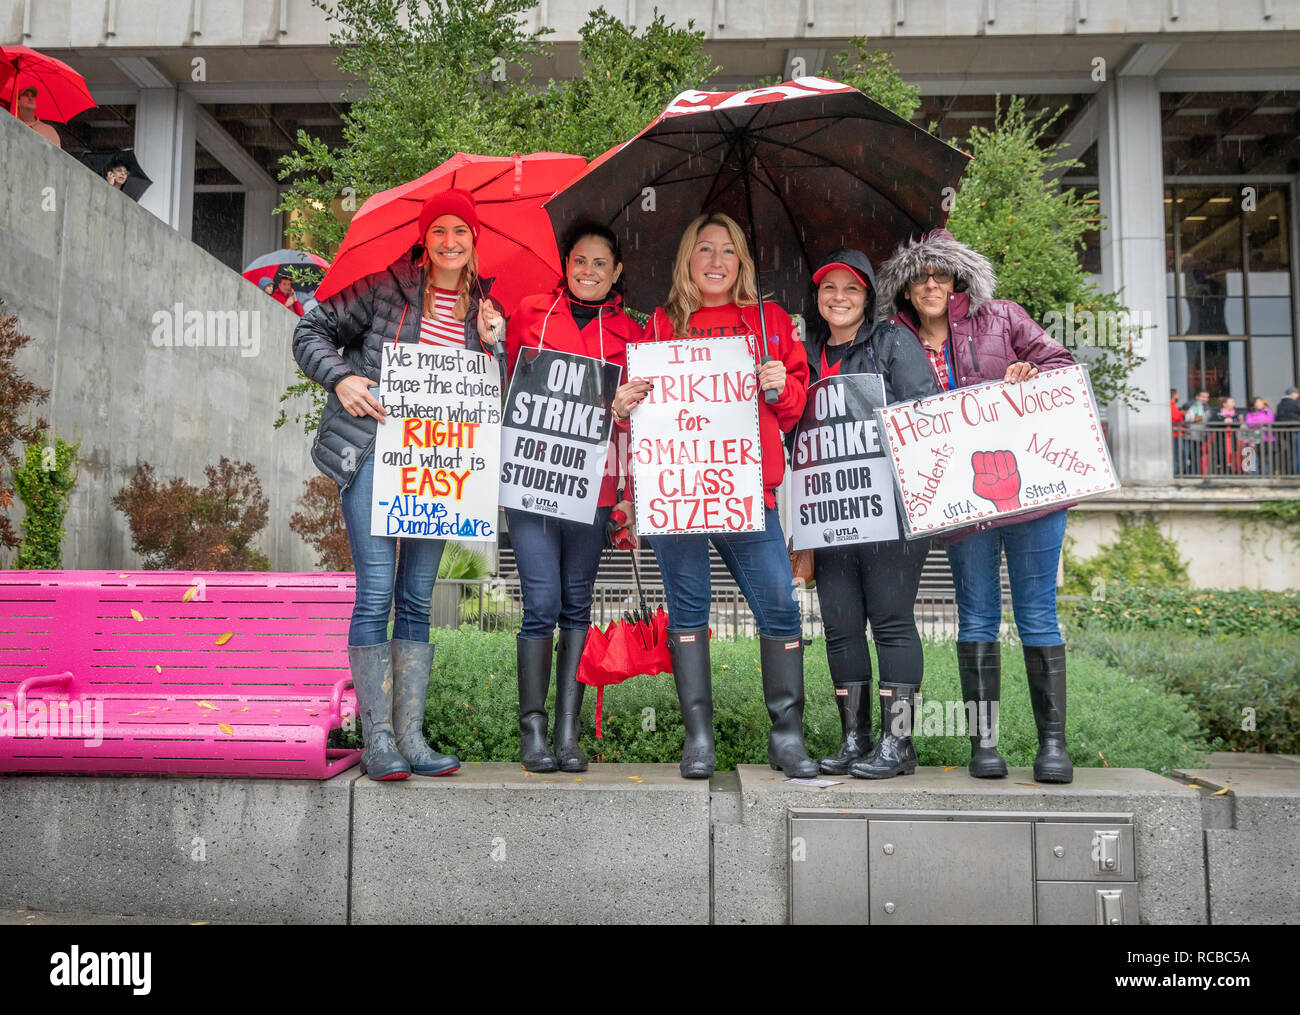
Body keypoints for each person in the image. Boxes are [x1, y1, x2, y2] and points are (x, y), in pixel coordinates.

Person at [291, 188, 502, 781]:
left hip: (439, 471)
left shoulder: (484, 310)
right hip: (374, 459)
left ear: (475, 241)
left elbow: (493, 402)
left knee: (416, 600)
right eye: (440, 230)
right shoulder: (385, 287)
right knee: (376, 594)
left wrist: (497, 344)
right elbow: (310, 332)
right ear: (425, 238)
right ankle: (377, 738)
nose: (451, 242)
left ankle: (411, 737)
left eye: (462, 231)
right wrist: (342, 381)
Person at [877, 228, 1077, 784]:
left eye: (940, 273)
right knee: (978, 615)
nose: (931, 284)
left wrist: (1031, 373)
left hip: (1032, 495)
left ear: (958, 278)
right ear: (907, 287)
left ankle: (1052, 747)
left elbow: (1063, 365)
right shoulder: (894, 338)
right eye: (919, 276)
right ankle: (984, 746)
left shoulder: (1004, 318)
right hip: (961, 502)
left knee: (1038, 612)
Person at [622, 212, 816, 779]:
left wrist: (781, 386)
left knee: (779, 604)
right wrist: (624, 403)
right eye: (703, 248)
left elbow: (796, 408)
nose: (715, 261)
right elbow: (640, 418)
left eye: (728, 251)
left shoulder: (771, 320)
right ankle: (699, 738)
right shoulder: (659, 326)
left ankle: (787, 737)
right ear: (687, 259)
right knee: (688, 608)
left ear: (742, 263)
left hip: (748, 490)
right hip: (675, 491)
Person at [504, 223, 644, 772]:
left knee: (575, 608)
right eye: (579, 261)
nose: (588, 272)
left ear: (617, 272)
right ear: (566, 265)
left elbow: (640, 428)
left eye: (600, 264)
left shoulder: (632, 335)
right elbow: (501, 381)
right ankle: (532, 733)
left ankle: (567, 735)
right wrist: (493, 339)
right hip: (533, 485)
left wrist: (630, 492)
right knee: (540, 605)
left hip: (597, 490)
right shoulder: (528, 313)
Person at [801, 249, 939, 779]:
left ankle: (898, 742)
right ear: (817, 298)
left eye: (851, 289)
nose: (839, 298)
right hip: (830, 511)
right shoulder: (808, 352)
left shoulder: (892, 342)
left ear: (868, 297)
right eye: (828, 288)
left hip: (891, 513)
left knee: (891, 622)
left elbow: (923, 413)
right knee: (839, 626)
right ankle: (855, 737)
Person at [1242, 396, 1275, 475]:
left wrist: (1258, 422)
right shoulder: (1250, 414)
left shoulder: (1268, 412)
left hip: (1267, 439)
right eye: (1258, 402)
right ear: (1254, 404)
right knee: (1255, 459)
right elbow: (1250, 424)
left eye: (1261, 401)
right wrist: (1262, 424)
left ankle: (1267, 476)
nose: (1261, 403)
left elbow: (1270, 421)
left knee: (1266, 459)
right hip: (1254, 439)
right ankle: (1255, 477)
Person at [1275, 387, 1300, 475]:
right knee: (1297, 454)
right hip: (1295, 430)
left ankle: (1291, 472)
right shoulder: (1293, 403)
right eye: (1297, 393)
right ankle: (1297, 473)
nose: (1298, 395)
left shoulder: (1280, 404)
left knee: (1291, 454)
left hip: (1284, 432)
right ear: (1292, 393)